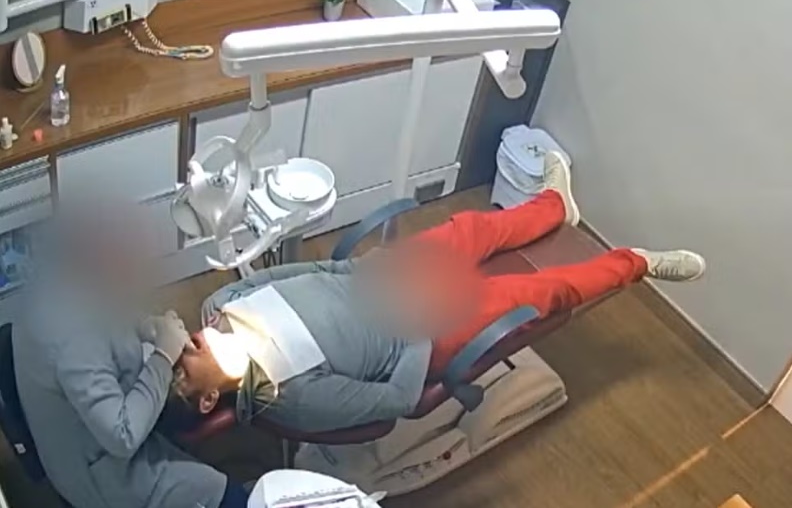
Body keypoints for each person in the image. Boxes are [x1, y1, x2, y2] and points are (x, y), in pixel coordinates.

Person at [171, 152, 706, 433]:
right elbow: (397, 401)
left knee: (469, 229)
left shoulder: (221, 306)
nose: (181, 350)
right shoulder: (288, 398)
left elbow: (301, 273)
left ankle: (554, 206)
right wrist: (419, 329)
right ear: (209, 399)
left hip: (379, 278)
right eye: (180, 372)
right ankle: (637, 263)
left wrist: (357, 269)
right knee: (540, 293)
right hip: (421, 331)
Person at [12, 199, 249, 508]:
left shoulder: (64, 279)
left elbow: (108, 312)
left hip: (91, 416)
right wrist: (162, 357)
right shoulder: (71, 343)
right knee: (226, 496)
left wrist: (146, 325)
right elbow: (122, 436)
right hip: (105, 472)